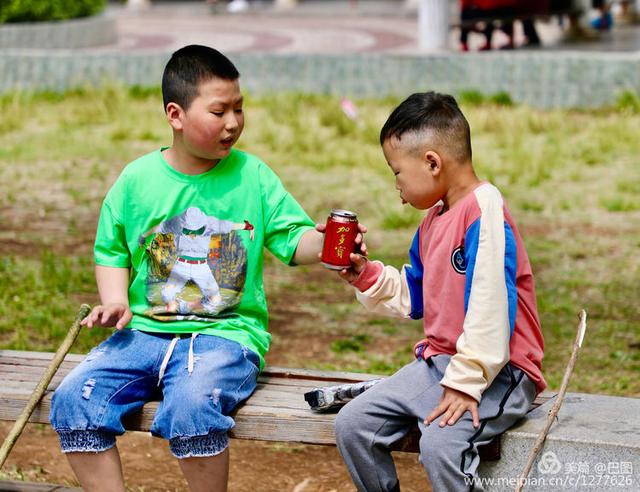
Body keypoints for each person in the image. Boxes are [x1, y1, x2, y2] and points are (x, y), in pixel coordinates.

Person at [49, 45, 363, 492]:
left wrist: (332, 245)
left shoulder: (252, 176)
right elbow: (112, 249)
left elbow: (294, 240)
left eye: (239, 108)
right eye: (219, 111)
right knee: (73, 399)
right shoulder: (137, 181)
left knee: (193, 404)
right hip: (141, 334)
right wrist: (116, 301)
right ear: (175, 114)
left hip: (225, 338)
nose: (234, 122)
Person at [334, 92, 545, 491]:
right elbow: (417, 294)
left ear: (432, 162)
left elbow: (490, 307)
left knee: (440, 445)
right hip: (443, 364)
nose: (395, 184)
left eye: (396, 171)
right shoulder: (435, 218)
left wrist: (466, 383)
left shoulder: (484, 208)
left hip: (499, 372)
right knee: (353, 425)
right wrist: (365, 275)